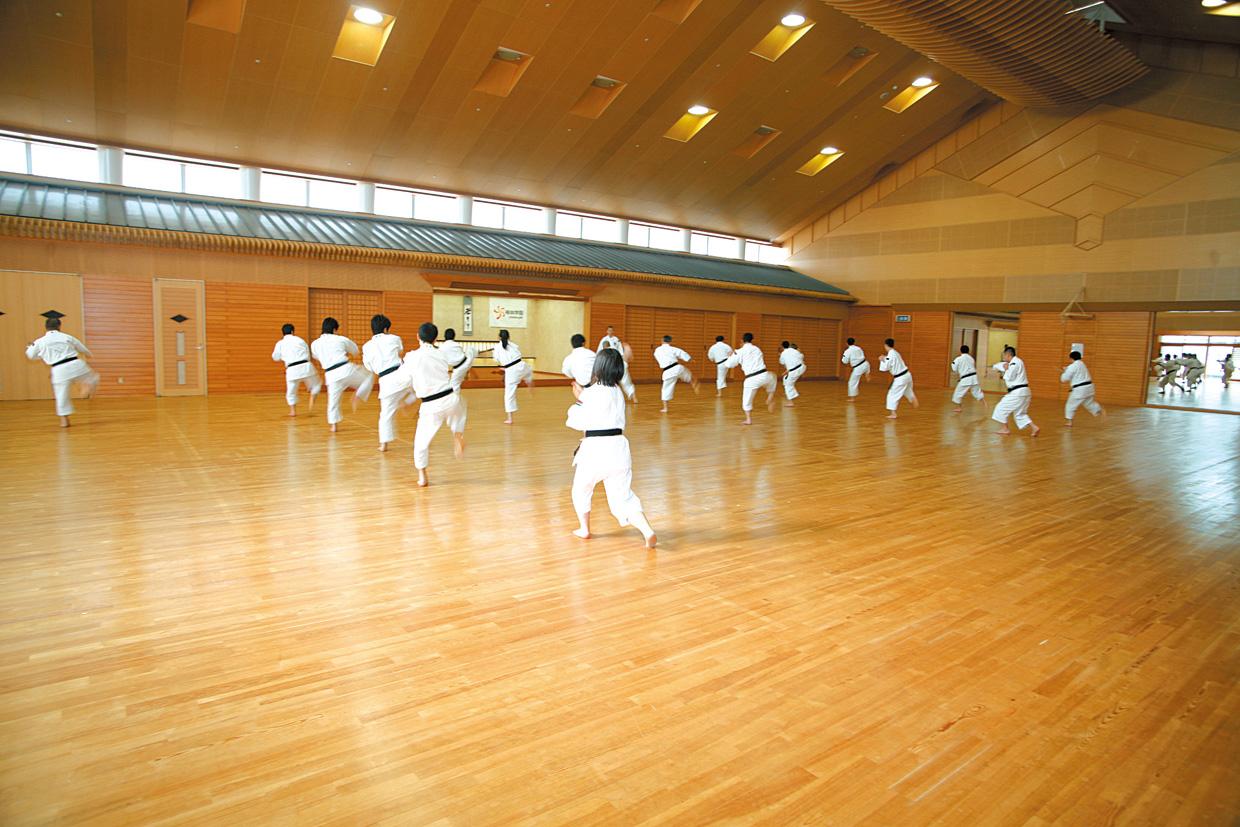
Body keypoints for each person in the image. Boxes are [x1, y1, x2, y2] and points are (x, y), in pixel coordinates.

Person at [566, 348, 657, 548]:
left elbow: (576, 421)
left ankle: (584, 528)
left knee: (581, 488)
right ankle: (647, 530)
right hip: (619, 448)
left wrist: (579, 400)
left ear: (597, 367)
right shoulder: (618, 393)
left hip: (595, 449)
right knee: (623, 497)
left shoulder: (591, 393)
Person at [397, 322, 467, 488]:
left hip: (431, 406)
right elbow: (458, 362)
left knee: (421, 443)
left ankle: (423, 476)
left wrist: (407, 398)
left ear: (417, 337)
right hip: (451, 398)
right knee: (458, 414)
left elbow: (403, 380)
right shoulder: (442, 354)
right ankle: (458, 435)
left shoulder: (412, 357)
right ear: (435, 338)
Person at [25, 316, 100, 428]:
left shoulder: (40, 341)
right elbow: (81, 347)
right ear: (59, 326)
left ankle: (64, 420)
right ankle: (87, 384)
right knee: (93, 377)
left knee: (61, 395)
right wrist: (89, 354)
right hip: (76, 364)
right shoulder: (67, 337)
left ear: (46, 327)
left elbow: (30, 355)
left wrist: (40, 354)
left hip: (58, 369)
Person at [310, 317, 374, 433]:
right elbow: (355, 350)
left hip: (330, 375)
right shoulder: (340, 339)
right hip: (345, 370)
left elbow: (316, 356)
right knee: (369, 377)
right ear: (335, 329)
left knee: (333, 401)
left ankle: (334, 426)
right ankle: (358, 395)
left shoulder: (315, 344)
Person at [361, 314, 406, 452]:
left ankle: (384, 444)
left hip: (386, 380)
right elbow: (401, 351)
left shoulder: (367, 346)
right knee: (416, 390)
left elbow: (368, 366)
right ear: (386, 329)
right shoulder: (395, 338)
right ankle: (410, 401)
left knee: (386, 414)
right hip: (403, 374)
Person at [721, 332, 777, 425]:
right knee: (773, 377)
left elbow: (728, 364)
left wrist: (731, 355)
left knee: (747, 400)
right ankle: (770, 396)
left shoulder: (739, 351)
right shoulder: (757, 349)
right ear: (752, 340)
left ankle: (748, 419)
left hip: (751, 379)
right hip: (764, 375)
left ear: (742, 341)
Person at [272, 323, 321, 417]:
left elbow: (275, 357)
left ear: (283, 333)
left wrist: (283, 356)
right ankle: (312, 392)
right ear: (292, 331)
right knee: (317, 384)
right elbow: (308, 353)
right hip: (306, 366)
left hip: (292, 369)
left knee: (291, 391)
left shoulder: (280, 343)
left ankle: (293, 411)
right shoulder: (300, 340)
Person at [991, 345, 1039, 437]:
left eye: (1004, 355)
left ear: (1008, 355)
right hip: (1024, 392)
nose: (1003, 357)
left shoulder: (1014, 363)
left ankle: (1005, 428)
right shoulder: (1015, 362)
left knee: (1000, 408)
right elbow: (999, 365)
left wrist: (1005, 370)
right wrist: (996, 367)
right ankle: (1034, 427)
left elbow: (1009, 376)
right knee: (1019, 414)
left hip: (1017, 392)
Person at [490, 329, 534, 425]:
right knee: (529, 370)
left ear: (499, 337)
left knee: (509, 395)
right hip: (522, 366)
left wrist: (504, 366)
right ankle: (529, 381)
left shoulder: (497, 347)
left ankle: (510, 418)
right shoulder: (513, 345)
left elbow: (497, 360)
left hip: (511, 371)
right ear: (509, 337)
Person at [653, 334, 698, 413]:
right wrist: (690, 359)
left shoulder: (657, 350)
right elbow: (682, 354)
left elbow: (657, 357)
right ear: (670, 341)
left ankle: (665, 408)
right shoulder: (673, 349)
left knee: (666, 389)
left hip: (668, 371)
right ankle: (693, 383)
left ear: (662, 340)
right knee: (688, 374)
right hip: (678, 368)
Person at [1060, 350, 1105, 427]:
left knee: (1070, 405)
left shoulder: (1072, 366)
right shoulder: (1082, 364)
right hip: (1089, 388)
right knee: (1088, 403)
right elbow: (1075, 370)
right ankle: (1099, 410)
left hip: (1080, 390)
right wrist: (1066, 369)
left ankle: (1069, 422)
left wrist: (1064, 372)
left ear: (1071, 358)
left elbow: (1064, 379)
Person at [878, 338, 918, 420]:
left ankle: (893, 414)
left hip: (900, 378)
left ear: (885, 345)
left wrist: (882, 360)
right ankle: (913, 398)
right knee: (907, 390)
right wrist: (885, 358)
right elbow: (890, 359)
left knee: (892, 394)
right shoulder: (895, 353)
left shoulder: (890, 355)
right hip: (907, 375)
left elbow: (885, 367)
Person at [949, 344, 986, 413]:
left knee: (957, 393)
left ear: (960, 351)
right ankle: (984, 403)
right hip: (974, 377)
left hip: (965, 379)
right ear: (968, 351)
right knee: (976, 391)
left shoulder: (958, 359)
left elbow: (954, 368)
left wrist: (958, 371)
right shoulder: (971, 358)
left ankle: (959, 408)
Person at [438, 328, 476, 392]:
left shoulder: (442, 347)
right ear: (454, 336)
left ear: (444, 336)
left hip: (460, 368)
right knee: (471, 350)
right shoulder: (457, 345)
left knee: (453, 388)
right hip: (467, 360)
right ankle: (476, 351)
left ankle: (455, 400)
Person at [778, 340, 806, 407]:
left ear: (782, 346)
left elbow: (782, 363)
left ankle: (790, 402)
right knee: (786, 379)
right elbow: (801, 356)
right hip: (802, 367)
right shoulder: (794, 350)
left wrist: (780, 355)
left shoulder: (783, 353)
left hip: (794, 371)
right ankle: (791, 393)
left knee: (787, 385)